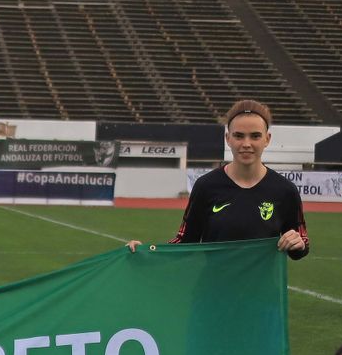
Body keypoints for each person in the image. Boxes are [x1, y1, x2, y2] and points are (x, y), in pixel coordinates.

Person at [128, 100, 308, 256]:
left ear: (267, 139)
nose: (246, 144)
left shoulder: (285, 191)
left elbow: (302, 244)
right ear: (228, 138)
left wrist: (297, 243)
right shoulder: (206, 186)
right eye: (238, 136)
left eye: (255, 136)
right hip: (212, 285)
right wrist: (147, 252)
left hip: (263, 286)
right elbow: (185, 241)